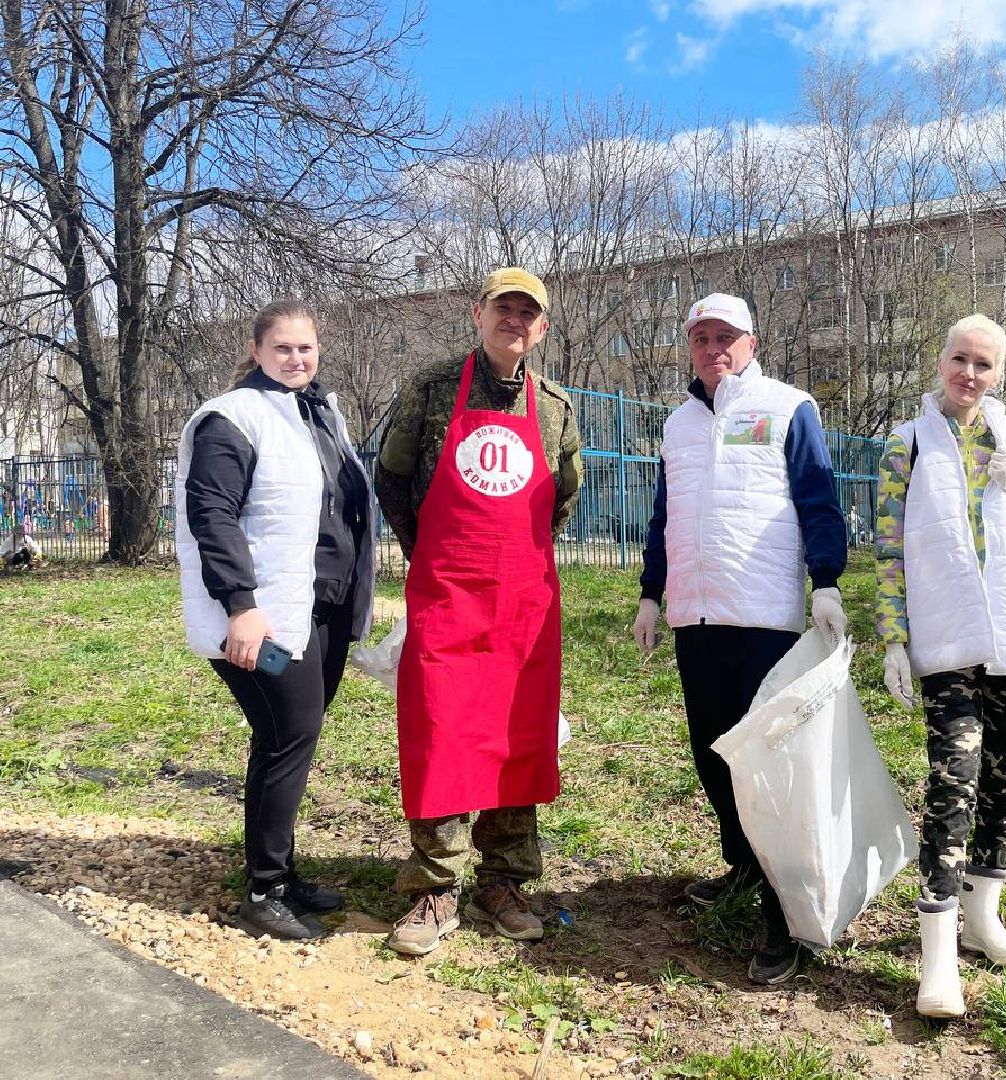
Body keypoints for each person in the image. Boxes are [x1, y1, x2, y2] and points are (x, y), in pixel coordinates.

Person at [632, 291, 848, 985]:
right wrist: (649, 592)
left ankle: (787, 921)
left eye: (726, 337)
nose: (713, 349)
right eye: (701, 338)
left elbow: (818, 495)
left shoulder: (789, 407)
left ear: (751, 343)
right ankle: (745, 868)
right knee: (712, 755)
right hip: (697, 617)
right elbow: (667, 512)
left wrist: (827, 581)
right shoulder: (678, 425)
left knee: (769, 769)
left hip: (764, 618)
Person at [375, 267, 582, 957]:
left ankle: (505, 882)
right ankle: (434, 887)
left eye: (528, 313)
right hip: (447, 595)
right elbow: (393, 477)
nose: (514, 321)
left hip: (522, 606)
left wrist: (515, 564)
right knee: (440, 730)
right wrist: (429, 552)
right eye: (504, 308)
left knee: (516, 735)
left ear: (541, 327)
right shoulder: (431, 389)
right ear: (479, 314)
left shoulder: (554, 407)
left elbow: (562, 498)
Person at [874, 314, 1006, 1018]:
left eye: (984, 364)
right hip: (948, 640)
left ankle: (984, 919)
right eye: (960, 359)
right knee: (954, 785)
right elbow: (889, 548)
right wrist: (894, 636)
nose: (970, 375)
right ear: (940, 360)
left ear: (1000, 373)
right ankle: (938, 956)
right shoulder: (907, 444)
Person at [176, 299, 376, 941]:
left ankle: (281, 876)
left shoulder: (319, 413)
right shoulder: (231, 419)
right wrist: (241, 606)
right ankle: (264, 892)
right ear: (258, 351)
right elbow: (213, 516)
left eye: (306, 348)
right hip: (263, 618)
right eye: (283, 348)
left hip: (321, 611)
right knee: (287, 736)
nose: (297, 358)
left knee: (292, 738)